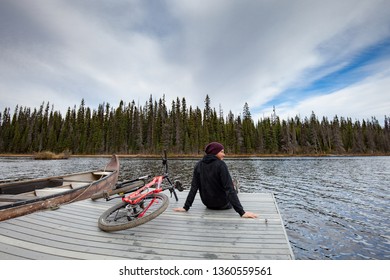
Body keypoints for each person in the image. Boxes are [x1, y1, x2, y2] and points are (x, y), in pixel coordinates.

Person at [174, 142, 258, 218]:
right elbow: (229, 189)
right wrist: (242, 212)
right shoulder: (221, 165)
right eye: (221, 151)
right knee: (232, 188)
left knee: (225, 185)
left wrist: (186, 207)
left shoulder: (198, 165)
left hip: (208, 204)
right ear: (214, 152)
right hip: (223, 205)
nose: (224, 154)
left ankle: (234, 185)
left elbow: (194, 188)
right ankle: (235, 186)